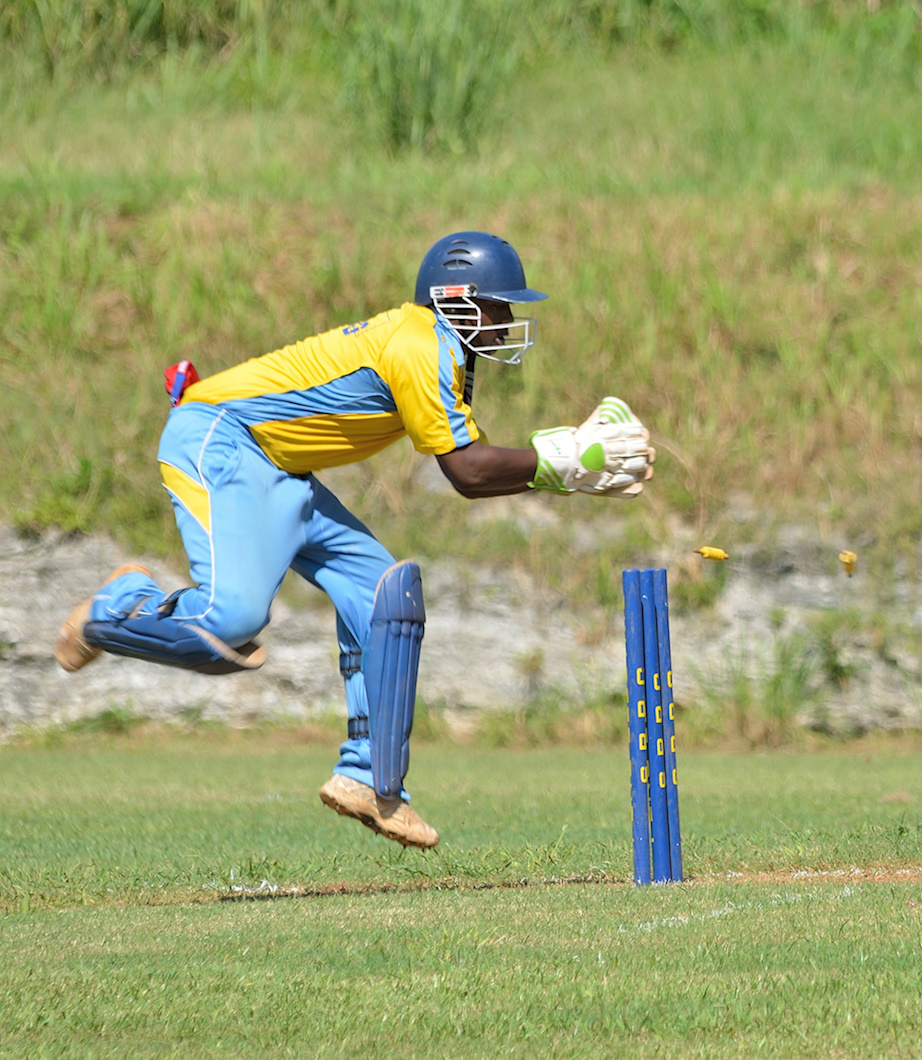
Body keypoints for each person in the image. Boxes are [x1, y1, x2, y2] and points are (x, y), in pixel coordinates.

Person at [55, 232, 655, 849]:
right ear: (456, 299)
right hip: (221, 437)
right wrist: (563, 462)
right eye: (497, 305)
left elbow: (474, 466)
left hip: (280, 464)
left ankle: (368, 779)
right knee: (230, 619)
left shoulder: (443, 349)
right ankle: (116, 606)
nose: (506, 320)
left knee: (384, 599)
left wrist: (560, 469)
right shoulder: (421, 343)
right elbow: (468, 472)